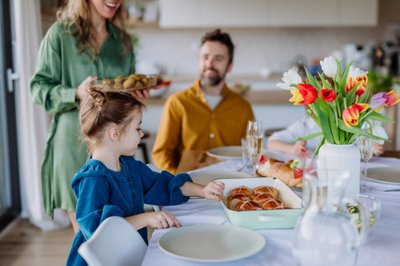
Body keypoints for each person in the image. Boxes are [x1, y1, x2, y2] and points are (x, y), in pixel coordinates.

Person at [66, 87, 224, 265]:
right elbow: (98, 231)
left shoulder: (130, 166)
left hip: (130, 256)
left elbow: (164, 184)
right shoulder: (92, 179)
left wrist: (202, 191)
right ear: (115, 133)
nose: (141, 134)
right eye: (137, 128)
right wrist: (147, 218)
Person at [30, 0, 148, 232]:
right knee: (89, 234)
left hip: (114, 148)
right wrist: (75, 92)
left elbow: (123, 93)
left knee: (116, 230)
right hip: (72, 147)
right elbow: (38, 89)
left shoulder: (122, 42)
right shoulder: (59, 35)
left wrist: (133, 94)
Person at [152, 29, 255, 174]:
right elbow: (161, 152)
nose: (210, 63)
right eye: (205, 57)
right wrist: (177, 180)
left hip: (229, 184)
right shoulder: (177, 103)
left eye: (218, 58)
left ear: (229, 66)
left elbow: (250, 155)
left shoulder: (243, 107)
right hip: (188, 185)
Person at [267, 116, 385, 156]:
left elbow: (365, 146)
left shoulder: (350, 124)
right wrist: (292, 149)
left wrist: (372, 149)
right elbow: (271, 142)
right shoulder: (305, 125)